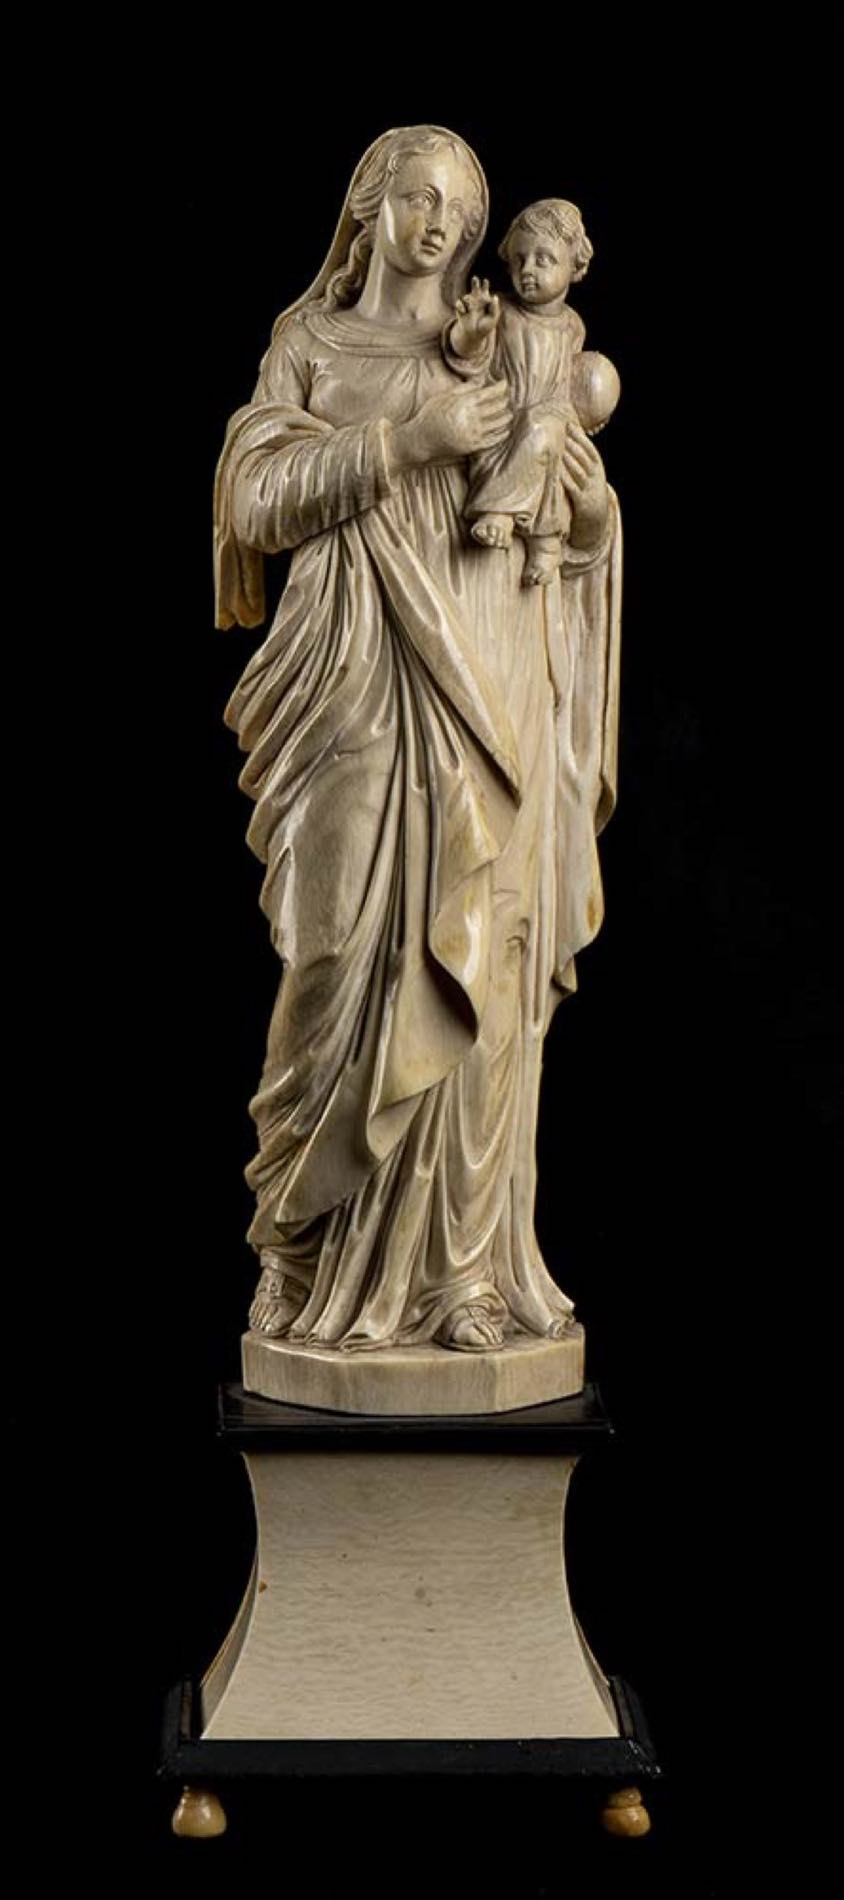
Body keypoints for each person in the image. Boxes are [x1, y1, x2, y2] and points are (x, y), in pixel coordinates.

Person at [213, 126, 621, 1354]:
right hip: (347, 684)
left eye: (460, 207)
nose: (438, 222)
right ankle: (297, 1246)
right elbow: (251, 502)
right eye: (416, 196)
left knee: (480, 973)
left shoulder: (502, 344)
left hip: (485, 678)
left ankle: (460, 1279)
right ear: (368, 204)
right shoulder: (309, 342)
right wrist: (405, 442)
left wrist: (585, 510)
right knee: (330, 954)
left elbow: (572, 513)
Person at [453, 197, 620, 586]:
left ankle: (544, 544)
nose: (527, 270)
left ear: (574, 267)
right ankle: (500, 512)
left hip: (548, 419)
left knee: (549, 441)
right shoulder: (502, 313)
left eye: (544, 260)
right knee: (536, 434)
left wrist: (590, 414)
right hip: (504, 423)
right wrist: (472, 333)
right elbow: (468, 361)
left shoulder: (573, 326)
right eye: (519, 260)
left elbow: (573, 379)